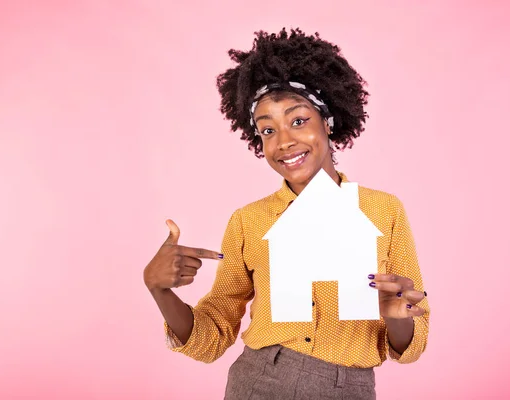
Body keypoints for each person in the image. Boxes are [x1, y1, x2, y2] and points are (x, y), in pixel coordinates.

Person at [143, 28, 430, 400]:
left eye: (298, 121)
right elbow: (211, 335)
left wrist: (397, 318)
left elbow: (411, 345)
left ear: (327, 121)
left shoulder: (383, 210)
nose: (284, 142)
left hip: (349, 387)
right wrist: (159, 291)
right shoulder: (248, 220)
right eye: (267, 130)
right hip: (259, 381)